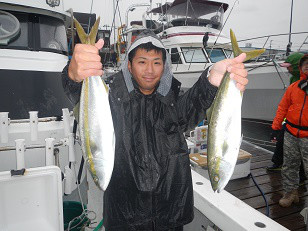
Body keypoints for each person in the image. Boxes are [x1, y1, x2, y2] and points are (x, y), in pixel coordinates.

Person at [62, 30, 248, 230]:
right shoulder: (110, 100)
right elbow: (79, 96)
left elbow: (196, 102)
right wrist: (73, 75)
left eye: (157, 62)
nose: (150, 70)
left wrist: (213, 79)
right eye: (142, 61)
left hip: (171, 216)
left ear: (164, 66)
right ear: (130, 66)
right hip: (125, 219)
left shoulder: (173, 102)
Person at [271, 54, 308, 208]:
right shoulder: (293, 87)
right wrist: (276, 127)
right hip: (291, 132)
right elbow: (283, 107)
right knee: (289, 165)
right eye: (305, 64)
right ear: (300, 67)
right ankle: (290, 192)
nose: (307, 66)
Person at [267, 52, 305, 171]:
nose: (287, 69)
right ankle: (278, 163)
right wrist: (276, 127)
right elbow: (284, 106)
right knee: (281, 142)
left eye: (289, 66)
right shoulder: (293, 82)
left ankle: (302, 177)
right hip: (290, 124)